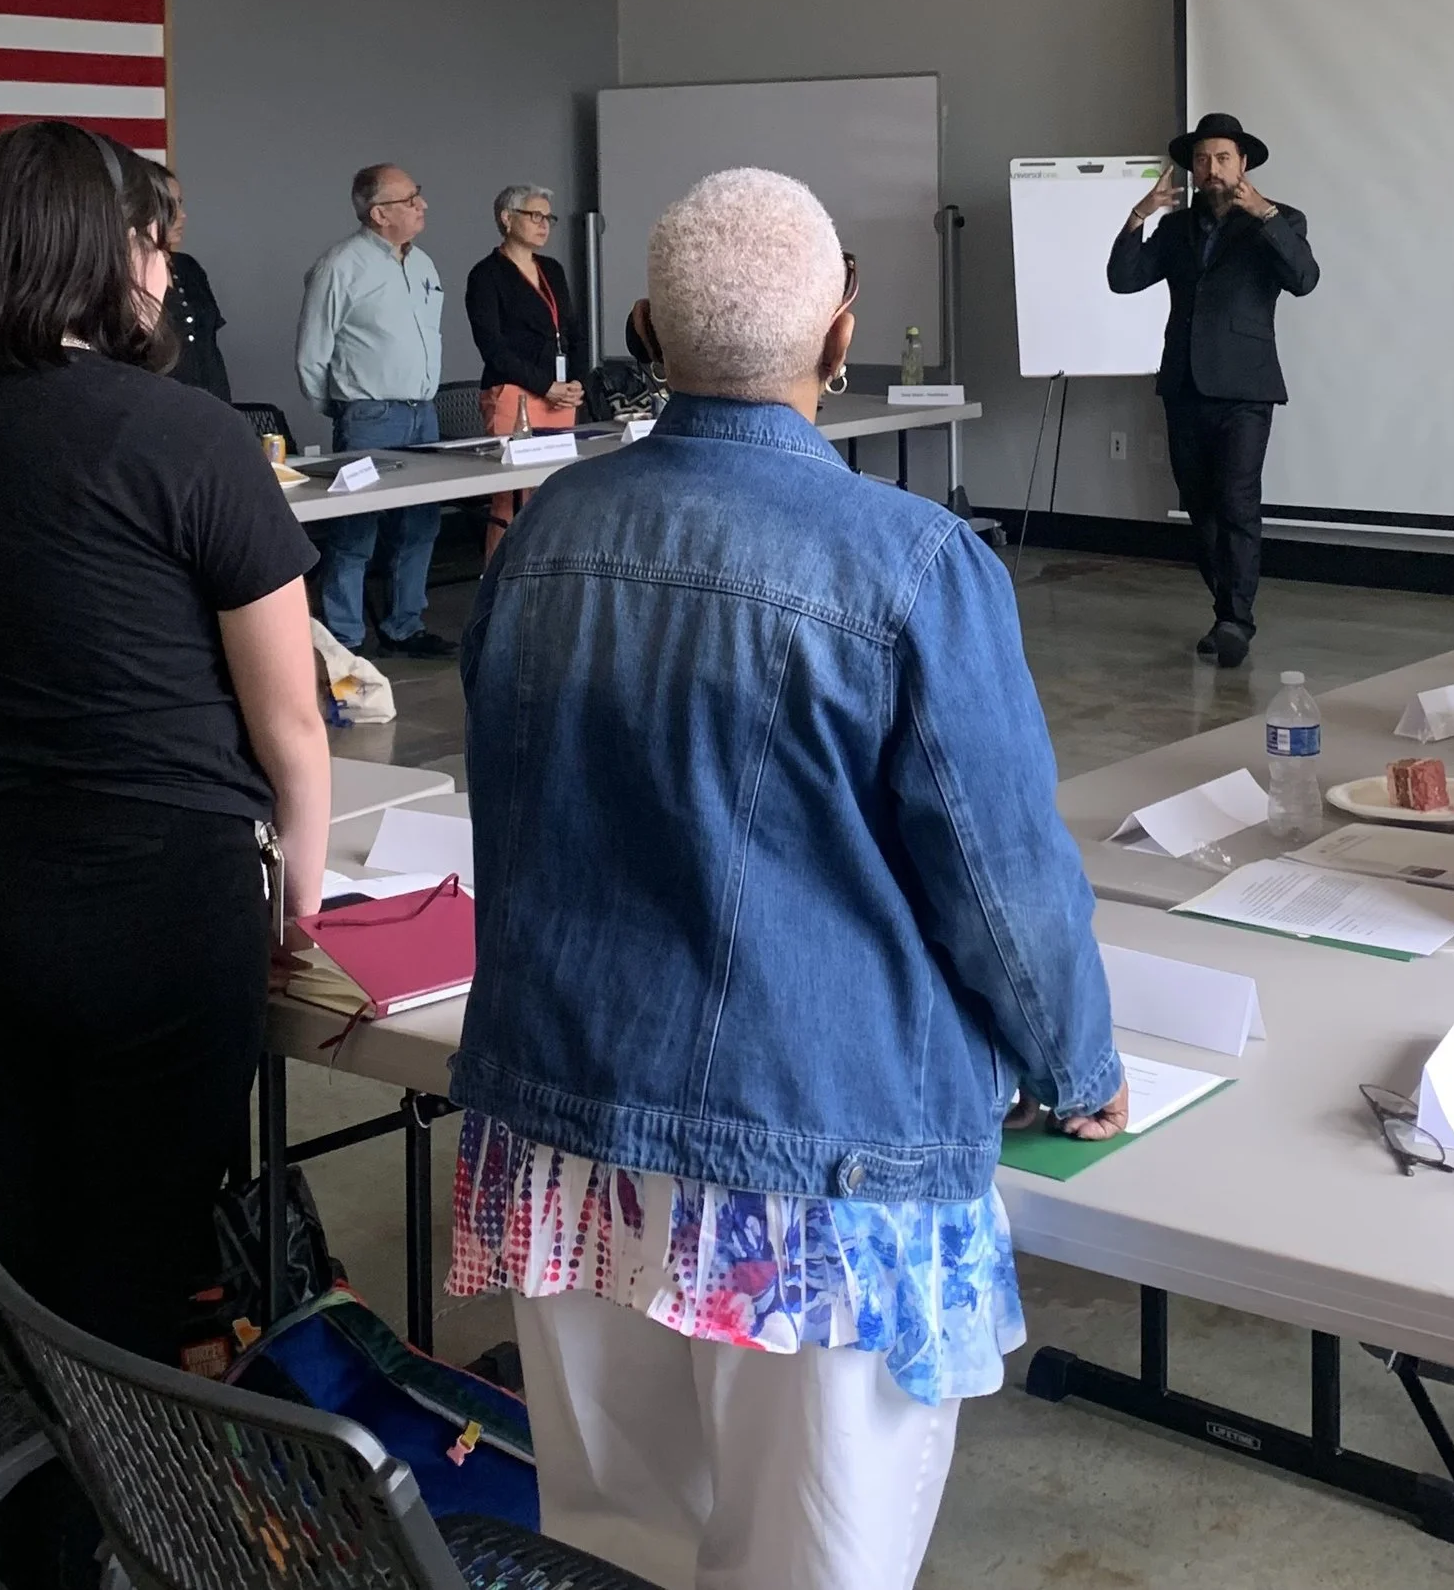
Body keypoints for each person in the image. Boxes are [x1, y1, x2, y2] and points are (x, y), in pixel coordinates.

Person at [448, 168, 1123, 1590]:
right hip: (813, 1161)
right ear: (840, 339)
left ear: (639, 326)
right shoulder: (914, 561)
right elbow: (1002, 881)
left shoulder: (545, 533)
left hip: (563, 1127)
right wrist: (1076, 1061)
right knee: (812, 1562)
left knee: (608, 1546)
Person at [0, 123, 331, 1384]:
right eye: (151, 241)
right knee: (138, 1272)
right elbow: (290, 720)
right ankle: (92, 1528)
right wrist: (297, 898)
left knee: (33, 1230)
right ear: (106, 253)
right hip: (147, 904)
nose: (162, 267)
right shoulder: (188, 437)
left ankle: (18, 1503)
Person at [1106, 110, 1320, 666]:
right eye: (1203, 160)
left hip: (1246, 389)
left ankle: (1236, 620)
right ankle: (1225, 610)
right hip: (1184, 384)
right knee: (1200, 508)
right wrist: (1139, 214)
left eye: (1223, 157)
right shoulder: (1176, 227)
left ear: (1243, 164)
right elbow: (1123, 279)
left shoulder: (1281, 221)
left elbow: (1304, 279)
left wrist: (1266, 215)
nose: (1212, 168)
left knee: (1237, 502)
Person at [294, 164, 451, 658]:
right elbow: (311, 354)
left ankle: (405, 625)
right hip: (369, 415)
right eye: (410, 199)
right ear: (379, 212)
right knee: (355, 528)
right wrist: (347, 408)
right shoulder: (339, 265)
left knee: (420, 524)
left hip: (423, 413)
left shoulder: (423, 264)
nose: (422, 205)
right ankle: (344, 638)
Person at [465, 184, 586, 555]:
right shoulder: (486, 275)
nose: (544, 224)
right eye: (535, 215)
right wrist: (544, 385)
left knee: (554, 491)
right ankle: (499, 586)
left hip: (560, 396)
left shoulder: (551, 269)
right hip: (514, 394)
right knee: (510, 497)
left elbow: (571, 330)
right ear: (506, 218)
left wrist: (576, 380)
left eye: (548, 217)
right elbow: (493, 349)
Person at [152, 164, 232, 402]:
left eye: (181, 202)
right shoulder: (126, 278)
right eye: (172, 204)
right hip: (163, 407)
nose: (182, 215)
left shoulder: (189, 268)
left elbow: (209, 348)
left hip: (211, 405)